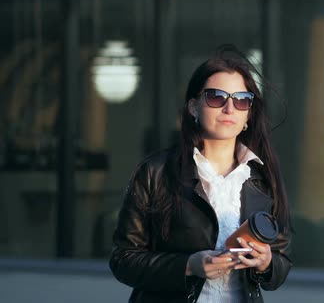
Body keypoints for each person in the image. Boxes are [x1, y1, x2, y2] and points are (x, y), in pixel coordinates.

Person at [109, 44, 292, 303]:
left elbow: (281, 262)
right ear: (193, 108)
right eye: (217, 97)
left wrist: (266, 263)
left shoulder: (263, 179)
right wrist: (188, 266)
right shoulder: (156, 172)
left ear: (248, 115)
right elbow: (123, 259)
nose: (230, 109)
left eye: (241, 100)